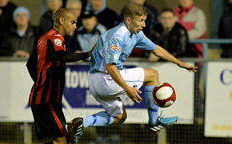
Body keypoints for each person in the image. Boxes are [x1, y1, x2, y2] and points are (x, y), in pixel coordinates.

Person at [71, 3, 197, 144]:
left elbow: (156, 49)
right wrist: (127, 88)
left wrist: (179, 63)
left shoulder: (134, 33)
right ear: (129, 20)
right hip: (106, 78)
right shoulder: (118, 36)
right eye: (140, 20)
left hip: (95, 83)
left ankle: (83, 122)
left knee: (120, 117)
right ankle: (154, 122)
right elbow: (111, 67)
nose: (144, 24)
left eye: (144, 20)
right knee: (152, 75)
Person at [26, 8, 95, 144]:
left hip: (45, 98)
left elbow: (30, 64)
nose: (75, 26)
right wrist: (87, 54)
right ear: (62, 21)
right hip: (46, 100)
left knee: (62, 141)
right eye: (73, 22)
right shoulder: (55, 37)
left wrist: (41, 82)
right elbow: (61, 56)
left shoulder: (43, 38)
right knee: (63, 140)